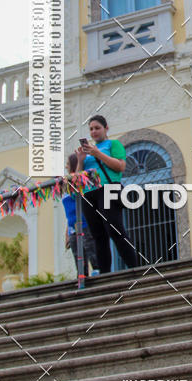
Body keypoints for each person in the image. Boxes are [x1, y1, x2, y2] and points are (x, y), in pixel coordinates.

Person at [76, 115, 139, 274]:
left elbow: (120, 166)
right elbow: (77, 179)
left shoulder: (113, 144)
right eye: (91, 129)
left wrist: (98, 153)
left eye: (97, 128)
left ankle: (135, 268)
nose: (94, 131)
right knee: (98, 236)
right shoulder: (88, 153)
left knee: (115, 230)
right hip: (89, 193)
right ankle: (105, 273)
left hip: (108, 189)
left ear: (106, 128)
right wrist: (80, 160)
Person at [62, 153, 99, 276]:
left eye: (67, 163)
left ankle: (98, 274)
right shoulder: (66, 185)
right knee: (78, 256)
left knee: (91, 252)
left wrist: (80, 161)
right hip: (73, 226)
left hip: (85, 223)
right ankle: (82, 279)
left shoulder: (80, 182)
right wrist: (67, 232)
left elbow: (77, 192)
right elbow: (69, 212)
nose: (66, 166)